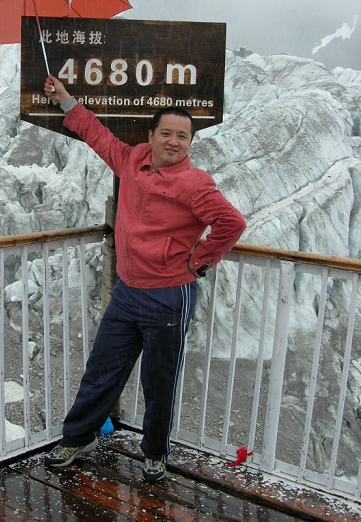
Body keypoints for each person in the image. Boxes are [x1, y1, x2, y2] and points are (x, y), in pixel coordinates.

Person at [43, 75, 246, 483]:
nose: (174, 141)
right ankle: (78, 437)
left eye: (183, 136)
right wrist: (66, 101)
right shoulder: (132, 160)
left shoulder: (194, 184)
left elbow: (231, 222)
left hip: (169, 296)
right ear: (151, 136)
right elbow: (98, 137)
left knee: (159, 380)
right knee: (102, 370)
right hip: (126, 292)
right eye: (166, 133)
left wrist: (200, 260)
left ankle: (154, 452)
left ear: (190, 143)